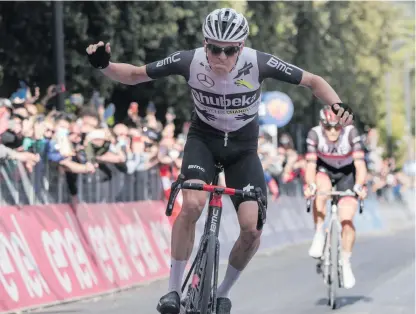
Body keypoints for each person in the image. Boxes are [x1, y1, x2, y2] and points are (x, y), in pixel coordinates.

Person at [86, 8, 353, 314]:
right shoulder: (189, 60)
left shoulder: (259, 62)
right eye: (214, 48)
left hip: (243, 148)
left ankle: (223, 292)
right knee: (193, 205)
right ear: (204, 44)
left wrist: (338, 106)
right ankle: (173, 291)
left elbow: (314, 81)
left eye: (229, 51)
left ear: (241, 48)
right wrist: (104, 65)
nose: (220, 57)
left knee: (252, 228)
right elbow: (134, 75)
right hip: (204, 142)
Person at [303, 106, 367, 289]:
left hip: (347, 174)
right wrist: (310, 185)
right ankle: (318, 234)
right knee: (321, 190)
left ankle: (345, 262)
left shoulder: (351, 133)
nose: (332, 131)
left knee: (346, 219)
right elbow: (310, 166)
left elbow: (360, 166)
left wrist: (360, 185)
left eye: (336, 127)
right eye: (328, 127)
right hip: (324, 170)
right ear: (322, 124)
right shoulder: (314, 134)